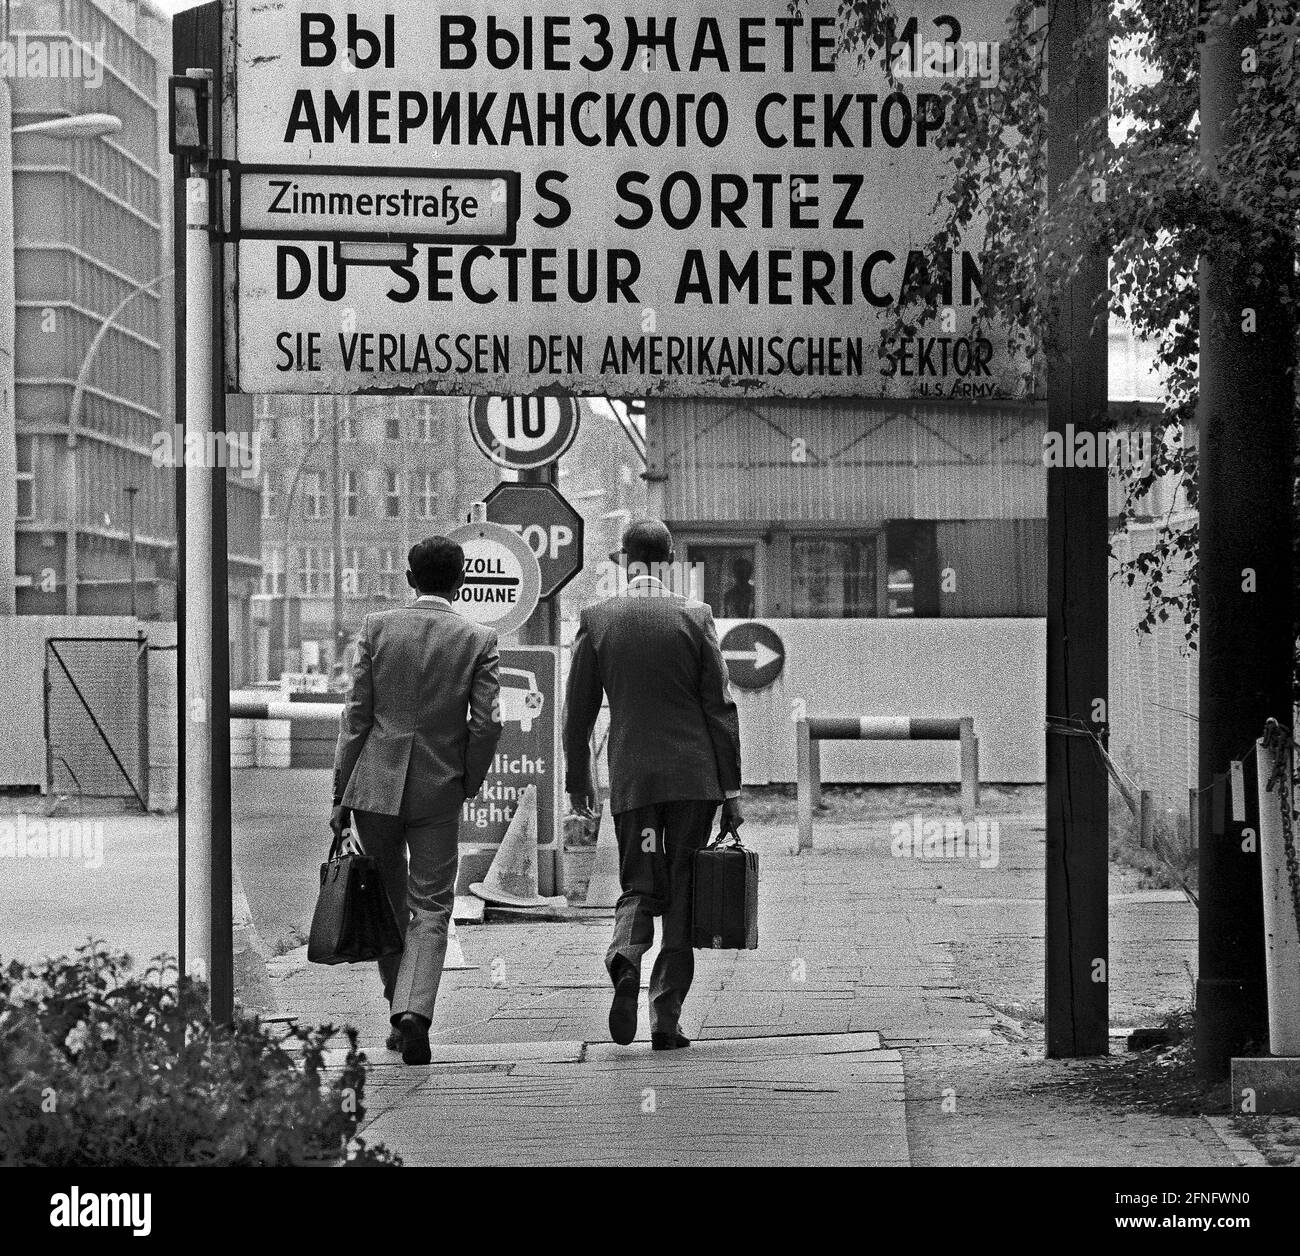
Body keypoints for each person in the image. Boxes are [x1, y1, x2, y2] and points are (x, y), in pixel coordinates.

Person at [563, 518, 743, 1051]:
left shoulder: (598, 619)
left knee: (639, 882)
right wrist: (731, 792)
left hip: (634, 780)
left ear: (622, 560)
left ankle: (625, 954)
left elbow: (578, 713)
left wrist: (580, 780)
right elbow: (720, 708)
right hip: (692, 780)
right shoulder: (695, 616)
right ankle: (666, 1020)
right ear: (669, 562)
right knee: (685, 891)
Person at [330, 537, 502, 1065]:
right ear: (461, 582)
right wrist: (466, 780)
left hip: (374, 787)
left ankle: (395, 1007)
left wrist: (341, 793)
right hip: (438, 787)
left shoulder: (378, 628)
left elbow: (357, 716)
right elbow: (487, 722)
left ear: (409, 578)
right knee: (431, 904)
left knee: (385, 900)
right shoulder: (477, 638)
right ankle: (415, 1011)